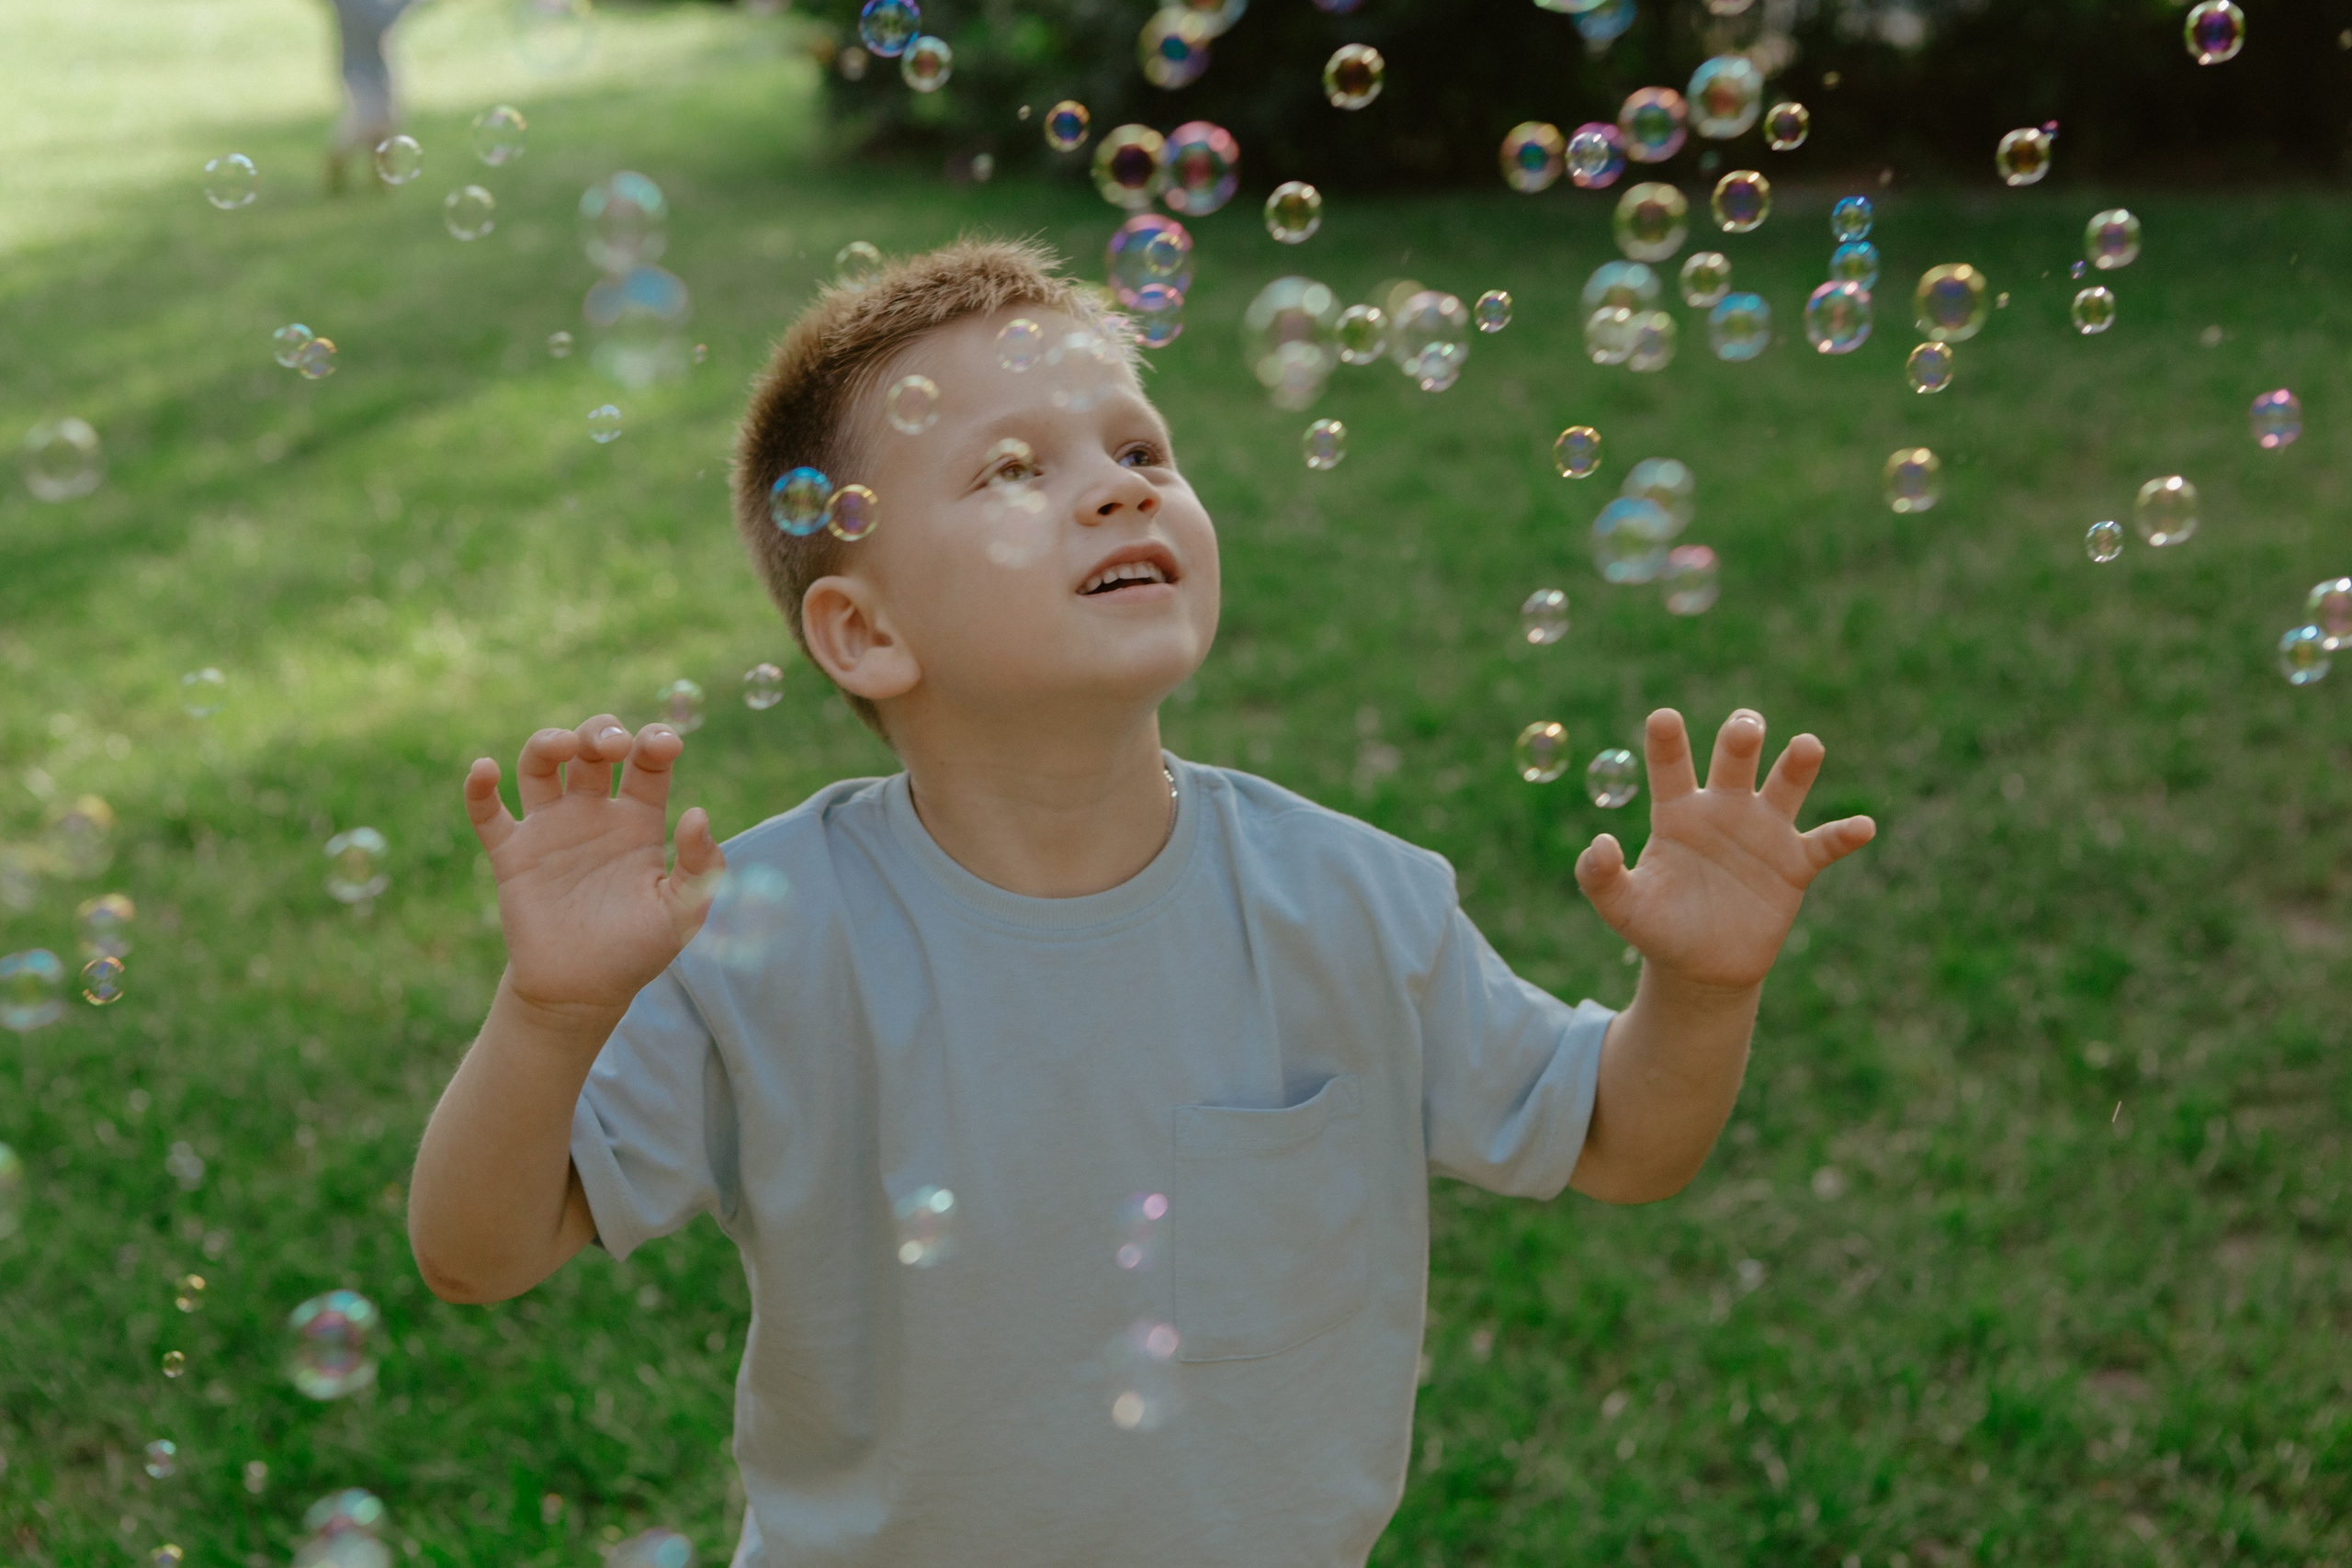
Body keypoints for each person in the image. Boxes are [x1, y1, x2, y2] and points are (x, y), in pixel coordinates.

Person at [407, 239, 1876, 1566]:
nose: (1117, 485)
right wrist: (553, 1009)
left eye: (1139, 448)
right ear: (864, 631)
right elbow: (477, 1249)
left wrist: (1698, 991)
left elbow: (1620, 1140)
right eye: (1011, 470)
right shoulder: (762, 928)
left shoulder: (1351, 898)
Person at [322, 0, 415, 195]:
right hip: (356, 70)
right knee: (366, 122)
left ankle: (380, 180)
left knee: (385, 123)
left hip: (379, 68)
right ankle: (335, 168)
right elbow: (381, 20)